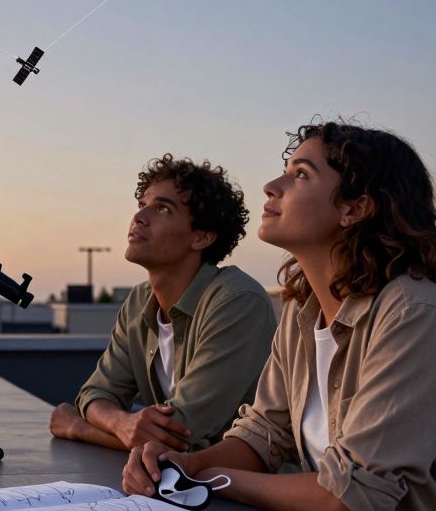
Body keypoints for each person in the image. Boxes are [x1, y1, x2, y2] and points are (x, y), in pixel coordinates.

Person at [121, 121, 436, 511]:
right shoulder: (303, 310)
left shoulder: (411, 313)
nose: (272, 185)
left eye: (301, 174)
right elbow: (264, 433)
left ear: (354, 208)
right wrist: (181, 463)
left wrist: (206, 479)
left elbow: (351, 501)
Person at [49, 154, 276, 451]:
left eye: (163, 208)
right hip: (171, 484)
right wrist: (122, 423)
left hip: (239, 489)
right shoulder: (139, 302)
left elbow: (180, 434)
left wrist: (78, 428)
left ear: (201, 238)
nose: (140, 217)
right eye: (142, 204)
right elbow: (96, 394)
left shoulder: (238, 302)